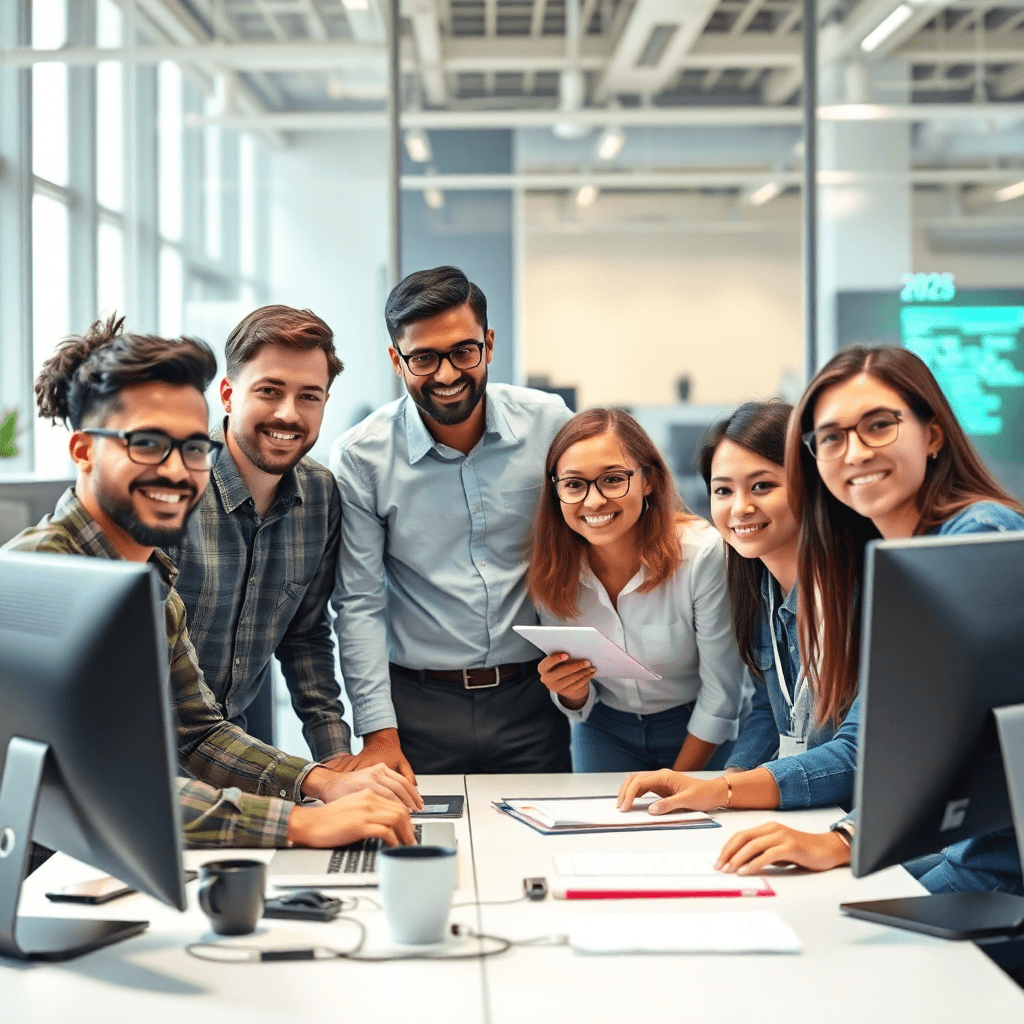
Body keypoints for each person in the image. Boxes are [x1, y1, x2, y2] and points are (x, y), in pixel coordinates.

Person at [3, 315, 417, 849]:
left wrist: (326, 780)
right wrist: (298, 822)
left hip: (114, 855)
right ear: (84, 450)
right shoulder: (37, 578)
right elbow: (88, 781)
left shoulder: (155, 584)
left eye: (193, 448)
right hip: (35, 868)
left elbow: (199, 735)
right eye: (148, 443)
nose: (177, 471)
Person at [715, 346, 1024, 886]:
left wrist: (842, 839)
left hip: (999, 865)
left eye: (878, 426)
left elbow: (961, 745)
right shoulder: (902, 564)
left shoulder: (977, 533)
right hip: (958, 849)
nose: (854, 452)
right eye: (831, 437)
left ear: (932, 435)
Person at [331, 266, 573, 775]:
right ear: (398, 361)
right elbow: (359, 602)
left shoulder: (550, 424)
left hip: (533, 698)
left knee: (533, 849)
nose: (446, 375)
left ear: (488, 343)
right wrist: (377, 732)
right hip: (416, 707)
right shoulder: (361, 456)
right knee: (421, 849)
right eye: (423, 358)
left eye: (463, 351)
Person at [616, 400, 859, 814]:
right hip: (804, 810)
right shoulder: (758, 586)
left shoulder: (857, 594)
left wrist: (723, 793)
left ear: (812, 485)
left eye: (762, 486)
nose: (740, 507)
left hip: (850, 820)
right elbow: (768, 709)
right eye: (723, 490)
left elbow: (858, 754)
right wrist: (729, 781)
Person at [165, 305, 376, 776]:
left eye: (309, 397)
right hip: (141, 748)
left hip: (236, 749)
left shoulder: (321, 495)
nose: (288, 413)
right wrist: (309, 782)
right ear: (227, 394)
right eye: (269, 391)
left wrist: (335, 755)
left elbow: (305, 635)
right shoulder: (172, 489)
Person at [526, 408, 745, 772]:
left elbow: (722, 696)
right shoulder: (552, 568)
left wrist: (674, 782)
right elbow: (581, 704)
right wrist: (571, 690)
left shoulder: (702, 554)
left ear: (649, 481)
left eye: (612, 479)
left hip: (702, 728)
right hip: (606, 729)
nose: (593, 501)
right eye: (574, 484)